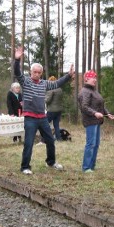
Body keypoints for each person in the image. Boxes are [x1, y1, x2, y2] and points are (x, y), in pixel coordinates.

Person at [13, 45, 74, 175]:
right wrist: (17, 60)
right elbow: (17, 73)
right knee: (28, 143)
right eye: (34, 72)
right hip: (30, 118)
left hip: (42, 118)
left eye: (39, 72)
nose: (36, 74)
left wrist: (68, 75)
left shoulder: (44, 83)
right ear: (30, 72)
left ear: (41, 73)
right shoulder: (25, 82)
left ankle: (50, 162)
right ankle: (25, 167)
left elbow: (57, 83)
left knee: (50, 141)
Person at [78, 70, 114, 173]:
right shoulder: (84, 92)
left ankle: (92, 166)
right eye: (92, 78)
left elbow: (100, 105)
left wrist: (107, 114)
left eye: (95, 78)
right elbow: (84, 107)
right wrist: (95, 113)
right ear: (86, 79)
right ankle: (86, 167)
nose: (95, 79)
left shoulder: (94, 91)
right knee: (91, 144)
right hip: (90, 121)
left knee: (96, 144)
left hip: (97, 121)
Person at [45, 76, 64, 141]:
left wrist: (44, 98)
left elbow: (48, 100)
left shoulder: (51, 90)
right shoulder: (60, 89)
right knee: (56, 125)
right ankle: (59, 138)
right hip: (59, 110)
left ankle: (44, 139)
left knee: (45, 124)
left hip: (51, 110)